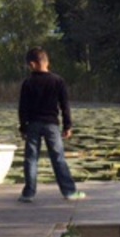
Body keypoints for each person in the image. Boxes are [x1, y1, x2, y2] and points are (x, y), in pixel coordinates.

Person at [17, 47, 85, 202]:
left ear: (33, 64)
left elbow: (23, 108)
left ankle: (28, 193)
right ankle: (69, 192)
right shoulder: (57, 81)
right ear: (47, 62)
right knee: (58, 158)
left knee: (31, 159)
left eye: (29, 65)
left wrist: (23, 127)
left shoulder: (27, 83)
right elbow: (64, 105)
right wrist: (68, 126)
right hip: (52, 125)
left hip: (33, 124)